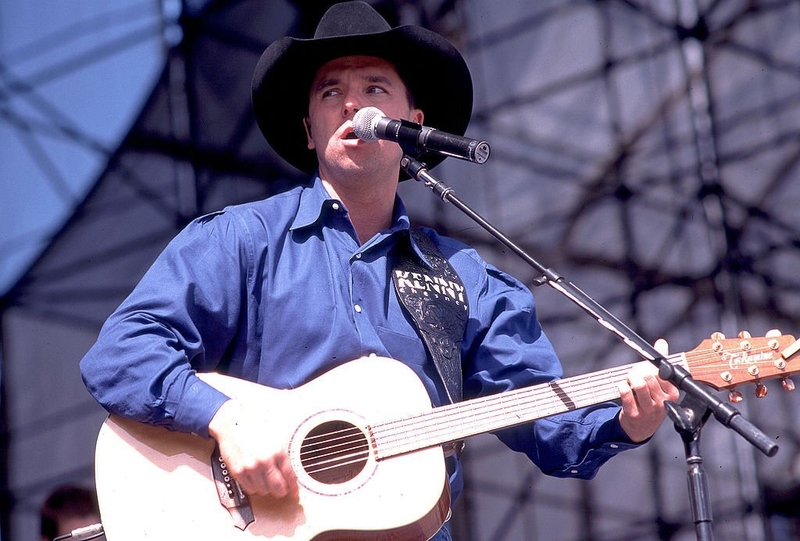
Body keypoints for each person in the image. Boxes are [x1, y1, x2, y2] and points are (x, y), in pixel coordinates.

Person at [80, 2, 678, 539]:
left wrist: (630, 420)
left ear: (412, 122)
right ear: (309, 131)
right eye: (329, 92)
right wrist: (226, 419)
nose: (352, 104)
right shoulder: (241, 241)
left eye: (375, 88)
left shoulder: (467, 277)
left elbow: (544, 421)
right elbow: (121, 355)